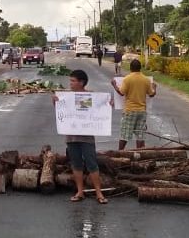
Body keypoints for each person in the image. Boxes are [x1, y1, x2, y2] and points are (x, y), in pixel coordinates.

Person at [54, 69, 108, 204]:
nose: (70, 83)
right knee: (76, 164)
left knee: (92, 164)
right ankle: (80, 191)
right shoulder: (66, 97)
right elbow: (61, 113)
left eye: (73, 81)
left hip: (86, 137)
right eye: (70, 80)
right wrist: (55, 102)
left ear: (81, 82)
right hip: (71, 137)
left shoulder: (90, 96)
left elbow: (101, 108)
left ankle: (98, 192)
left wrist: (108, 104)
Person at [110, 58, 157, 150]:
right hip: (142, 111)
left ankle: (120, 153)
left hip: (130, 111)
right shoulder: (146, 80)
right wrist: (154, 88)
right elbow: (151, 94)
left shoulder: (127, 79)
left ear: (130, 68)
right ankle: (139, 154)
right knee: (140, 135)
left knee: (125, 134)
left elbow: (121, 93)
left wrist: (114, 85)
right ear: (140, 68)